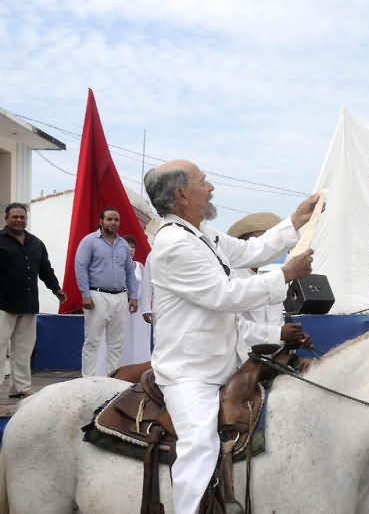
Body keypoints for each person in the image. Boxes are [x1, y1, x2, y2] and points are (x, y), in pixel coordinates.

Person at [144, 159, 318, 514]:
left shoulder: (200, 235)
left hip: (223, 361)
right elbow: (226, 295)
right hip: (190, 372)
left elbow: (250, 252)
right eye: (203, 181)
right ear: (181, 194)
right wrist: (285, 275)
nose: (211, 187)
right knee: (200, 445)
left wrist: (295, 222)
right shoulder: (175, 244)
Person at [0, 202, 67, 398]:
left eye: (23, 217)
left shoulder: (36, 243)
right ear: (6, 219)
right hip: (2, 303)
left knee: (23, 348)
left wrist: (56, 289)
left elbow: (46, 270)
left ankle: (20, 387)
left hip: (28, 304)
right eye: (15, 217)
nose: (19, 220)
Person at [226, 212, 310, 364]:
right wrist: (279, 334)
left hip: (270, 361)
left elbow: (276, 326)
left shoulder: (270, 279)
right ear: (246, 243)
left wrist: (293, 338)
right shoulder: (230, 278)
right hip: (240, 363)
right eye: (265, 240)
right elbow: (233, 327)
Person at [75, 207, 139, 376]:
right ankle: (88, 380)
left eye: (116, 220)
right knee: (92, 341)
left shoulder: (123, 245)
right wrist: (85, 295)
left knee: (116, 343)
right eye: (109, 219)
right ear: (100, 221)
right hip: (97, 296)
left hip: (120, 297)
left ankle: (111, 382)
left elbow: (130, 272)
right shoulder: (89, 241)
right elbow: (80, 268)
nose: (113, 222)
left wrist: (133, 296)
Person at [121, 235, 152, 365]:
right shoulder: (117, 266)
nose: (131, 250)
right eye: (128, 247)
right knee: (123, 337)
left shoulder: (140, 266)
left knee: (139, 337)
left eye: (133, 247)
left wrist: (147, 306)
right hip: (122, 306)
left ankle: (139, 364)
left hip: (138, 309)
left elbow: (147, 286)